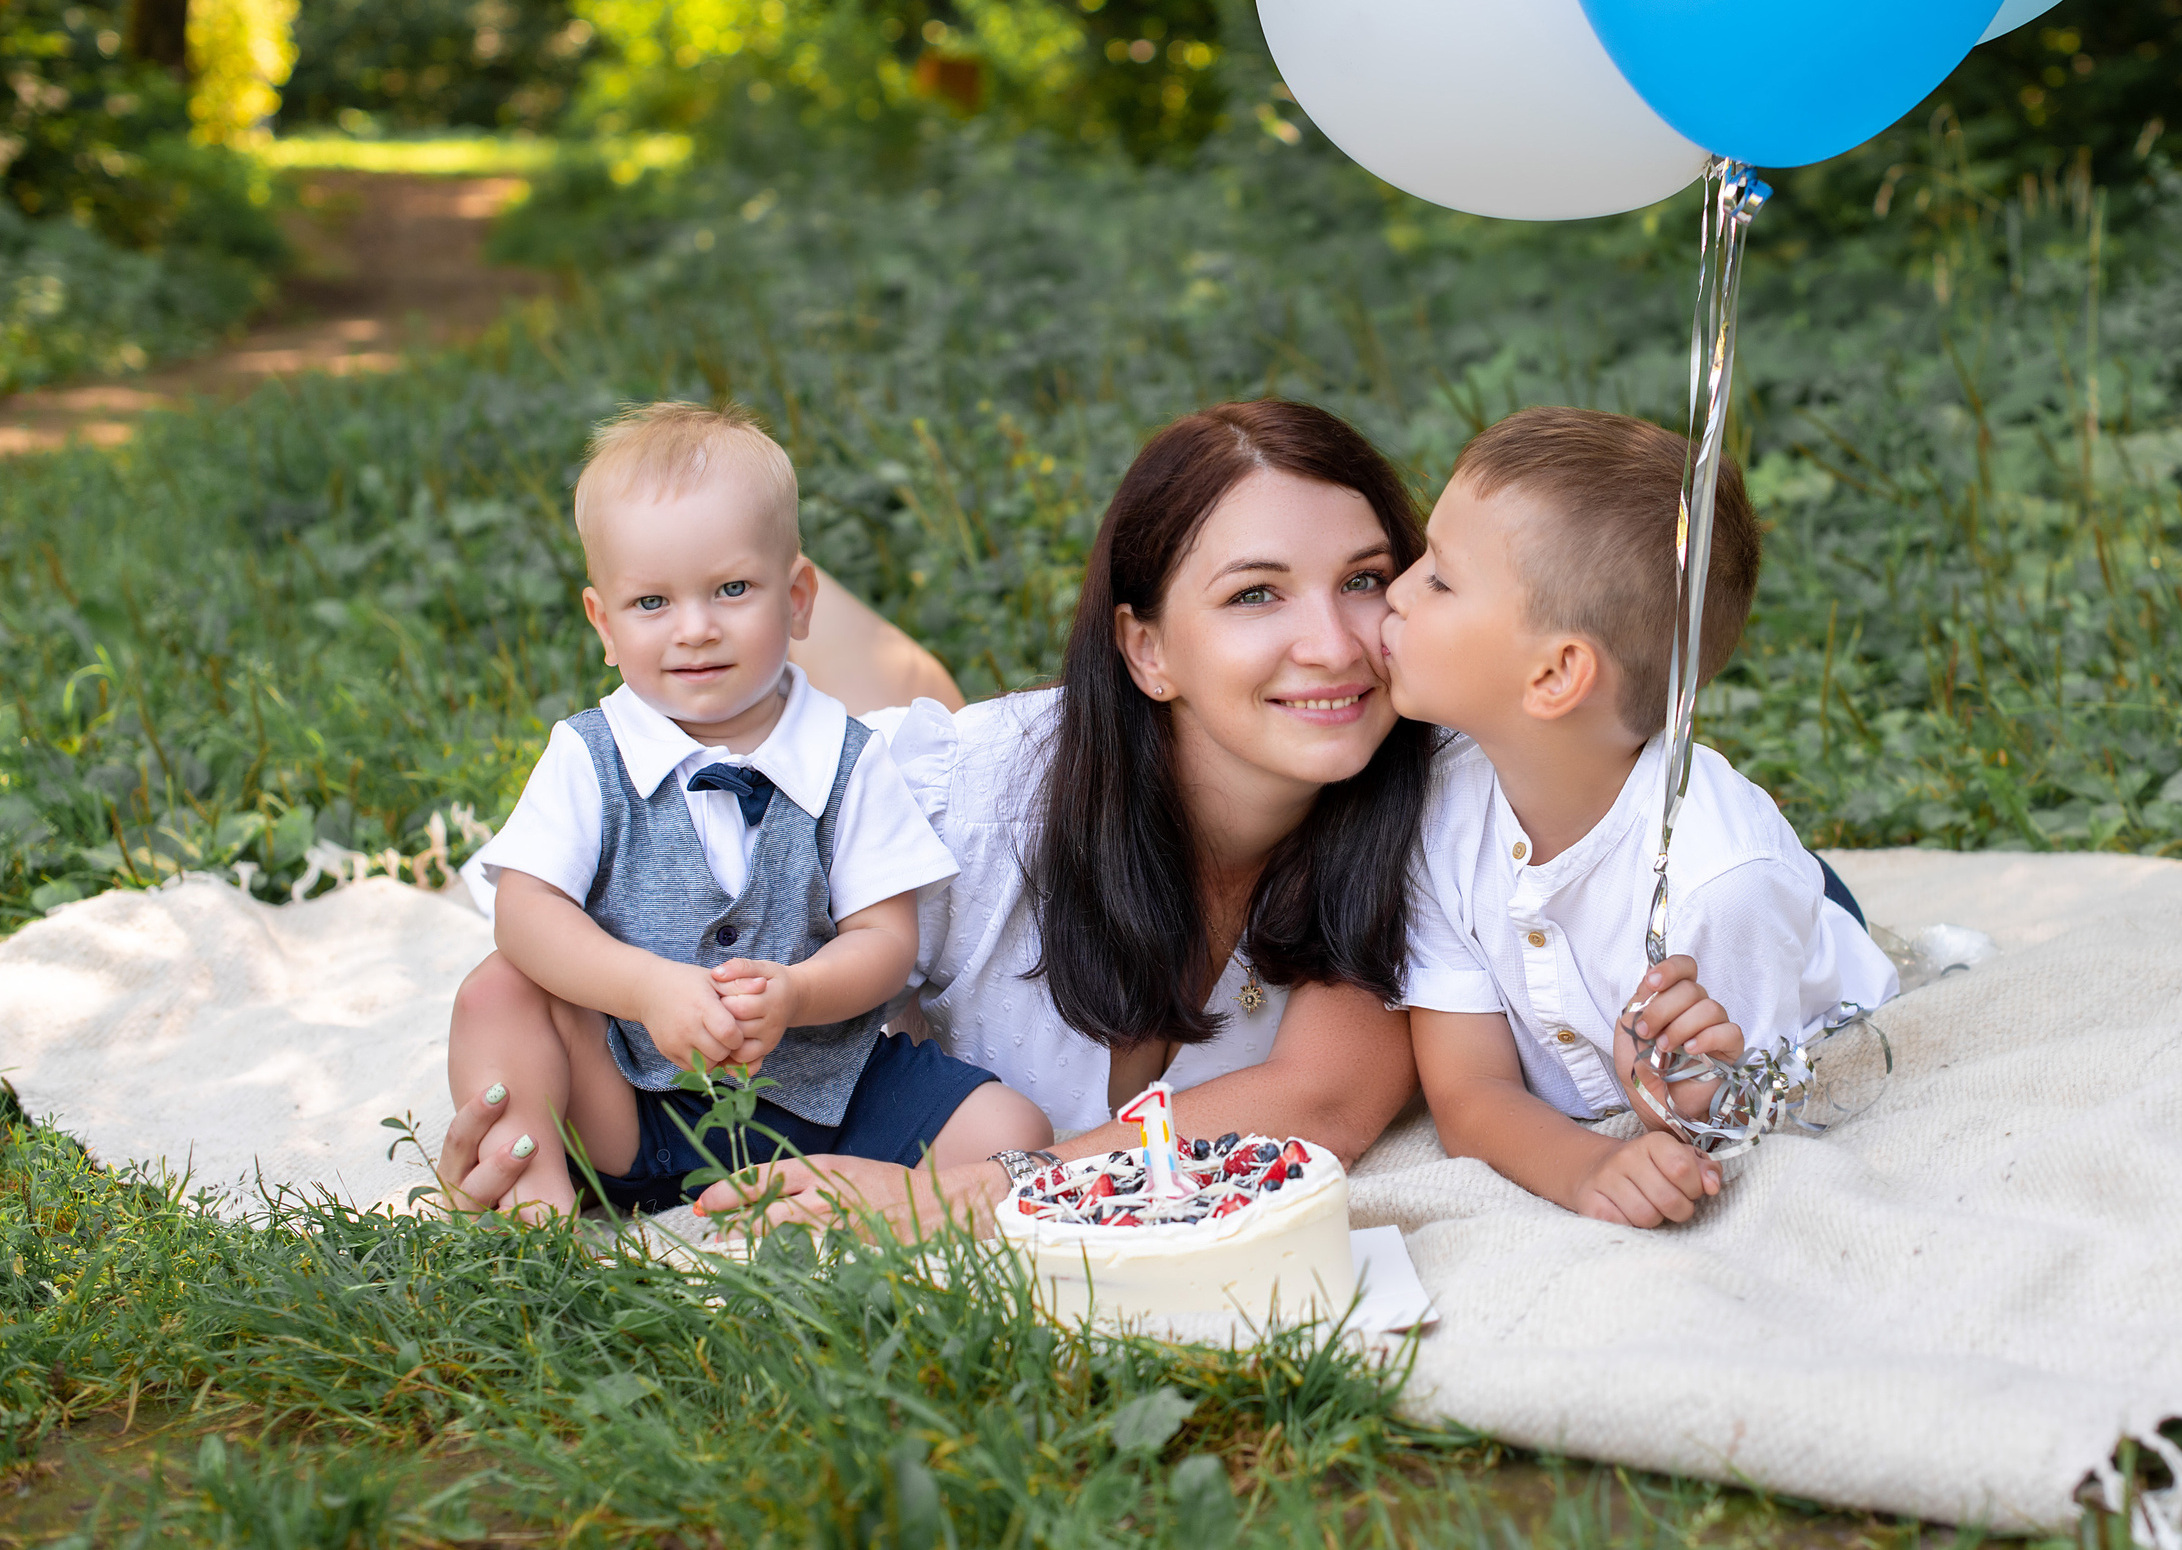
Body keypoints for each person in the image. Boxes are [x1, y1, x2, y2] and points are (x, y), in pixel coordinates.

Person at [441, 399, 1432, 1234]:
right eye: (1256, 592)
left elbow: (1323, 1097)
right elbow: (568, 945)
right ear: (1147, 650)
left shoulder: (1432, 806)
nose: (1332, 641)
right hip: (947, 762)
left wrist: (953, 1197)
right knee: (889, 708)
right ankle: (788, 612)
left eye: (1365, 578)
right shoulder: (954, 801)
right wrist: (528, 1088)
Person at [445, 401, 1051, 1219]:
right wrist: (647, 987)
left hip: (826, 1098)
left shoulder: (847, 757)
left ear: (797, 598)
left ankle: (844, 1194)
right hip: (631, 1099)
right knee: (499, 992)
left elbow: (884, 937)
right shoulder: (590, 755)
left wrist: (797, 994)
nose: (695, 629)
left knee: (1014, 1127)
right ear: (604, 623)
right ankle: (533, 1188)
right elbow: (524, 911)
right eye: (651, 603)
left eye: (732, 588)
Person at [1381, 406, 1897, 1228]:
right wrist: (1588, 1166)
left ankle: (1827, 901)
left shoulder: (1718, 890)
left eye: (1438, 578)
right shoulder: (1436, 811)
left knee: (1799, 902)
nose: (1395, 590)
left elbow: (1736, 1112)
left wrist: (1674, 1102)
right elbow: (1468, 1091)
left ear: (1553, 675)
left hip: (1784, 943)